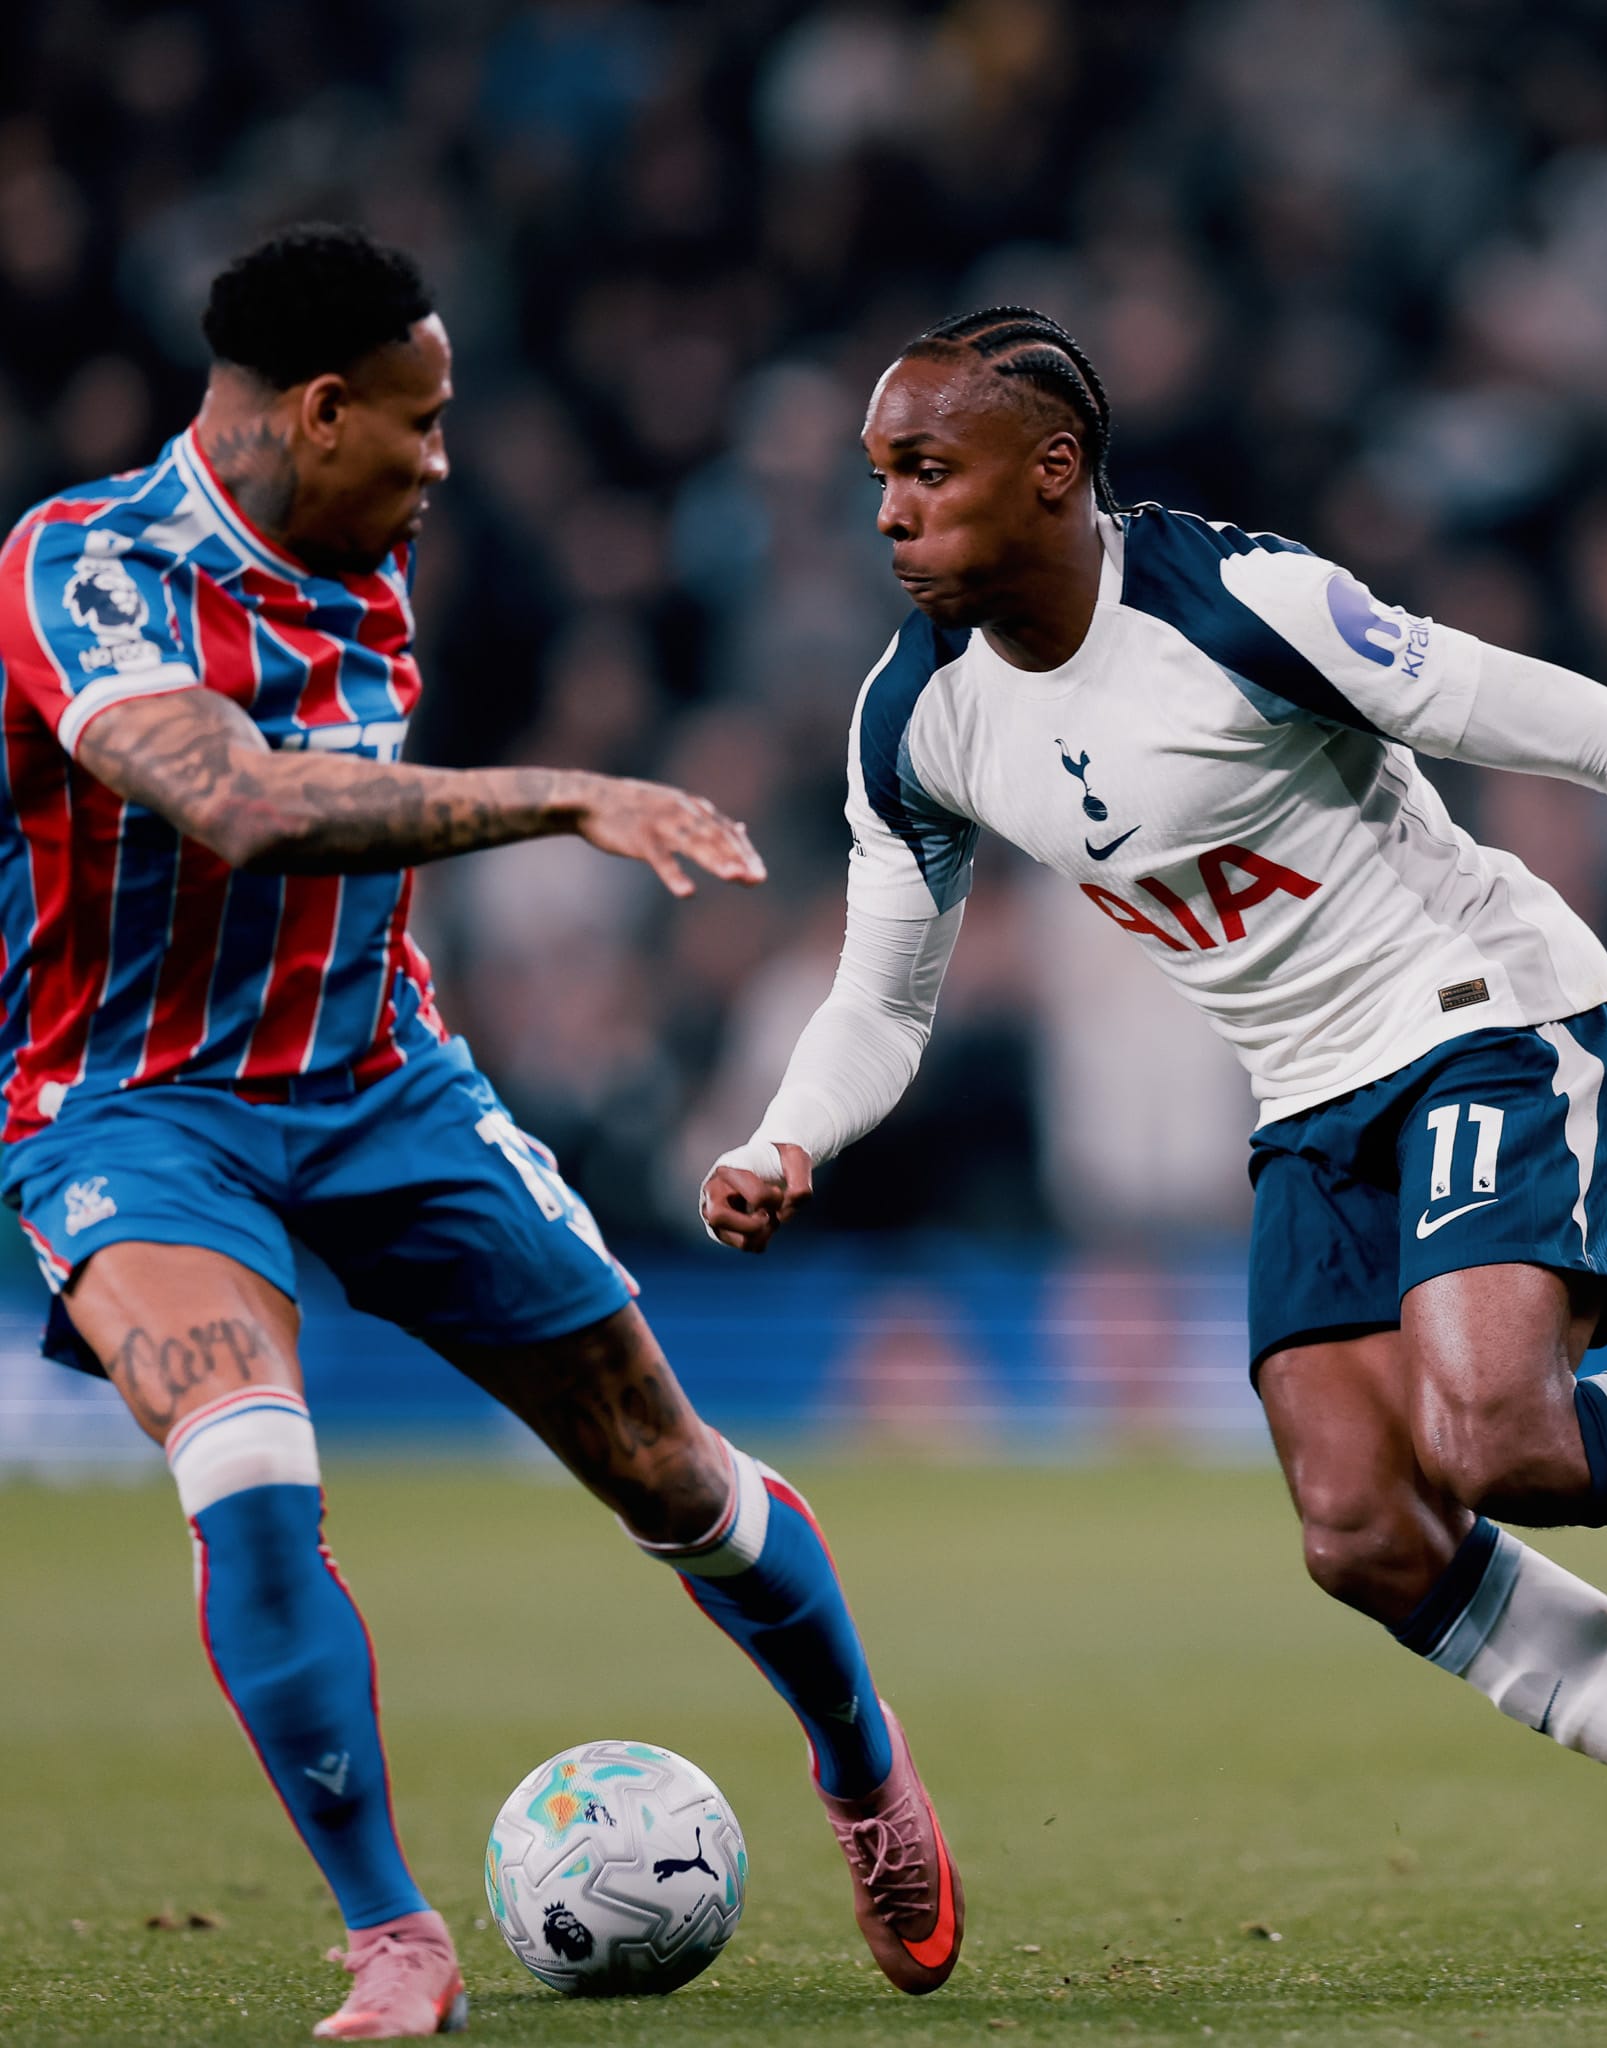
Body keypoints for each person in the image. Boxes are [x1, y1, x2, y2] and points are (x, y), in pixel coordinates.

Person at [0, 224, 962, 2041]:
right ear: (322, 407)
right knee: (245, 1453)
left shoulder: (367, 562)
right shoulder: (85, 568)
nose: (446, 462)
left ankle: (862, 1767)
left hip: (381, 1082)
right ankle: (393, 1936)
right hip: (126, 1109)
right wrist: (563, 796)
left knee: (666, 1470)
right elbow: (241, 808)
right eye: (423, 425)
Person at [703, 305, 1607, 1808]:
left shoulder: (1238, 603)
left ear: (1051, 470)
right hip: (1305, 1101)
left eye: (928, 469)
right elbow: (882, 1001)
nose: (890, 510)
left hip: (1480, 1017)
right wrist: (782, 1137)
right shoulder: (915, 718)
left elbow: (1583, 727)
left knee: (1493, 1436)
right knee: (1358, 1530)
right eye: (881, 474)